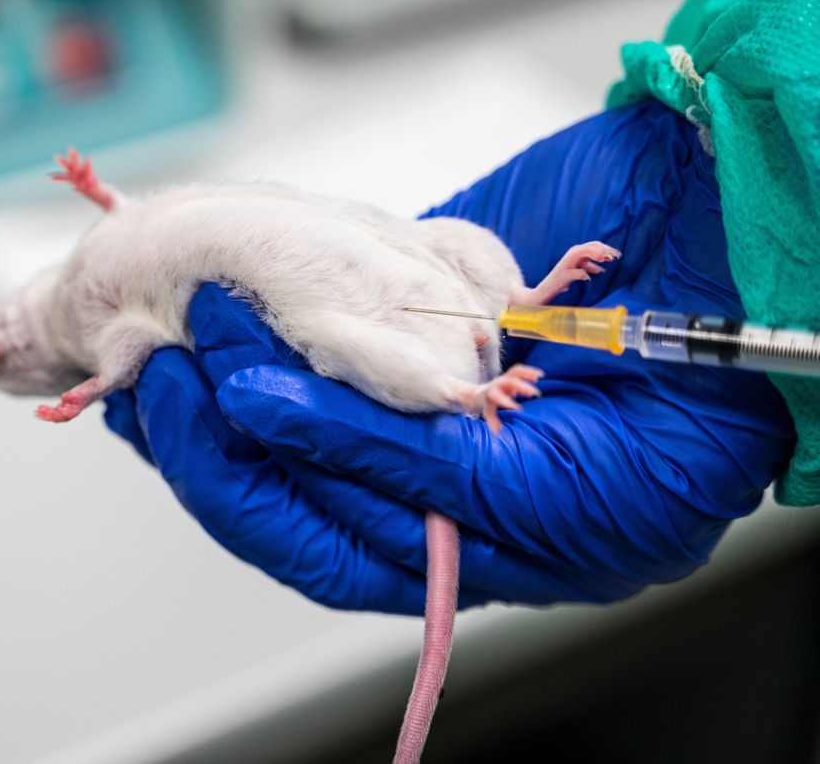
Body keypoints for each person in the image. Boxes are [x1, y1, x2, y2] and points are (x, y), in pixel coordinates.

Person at [101, 100, 797, 614]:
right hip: (703, 173)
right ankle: (477, 378)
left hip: (451, 353)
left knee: (357, 347)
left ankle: (468, 392)